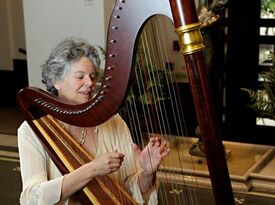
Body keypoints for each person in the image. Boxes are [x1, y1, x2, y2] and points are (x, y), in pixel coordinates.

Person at [18, 37, 170, 205]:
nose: (90, 83)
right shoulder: (31, 129)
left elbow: (128, 191)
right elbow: (32, 199)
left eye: (92, 76)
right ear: (56, 81)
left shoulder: (112, 121)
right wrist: (92, 168)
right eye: (80, 76)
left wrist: (147, 173)